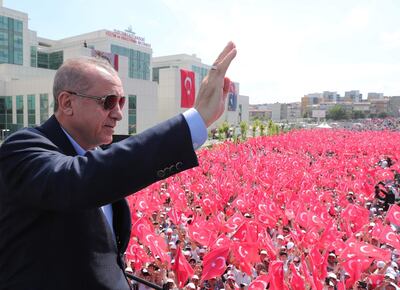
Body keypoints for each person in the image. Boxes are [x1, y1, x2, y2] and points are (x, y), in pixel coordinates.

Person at [0, 42, 237, 289]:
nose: (118, 113)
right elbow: (78, 179)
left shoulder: (99, 157)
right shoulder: (22, 148)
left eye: (121, 102)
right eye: (108, 102)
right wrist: (192, 123)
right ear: (67, 103)